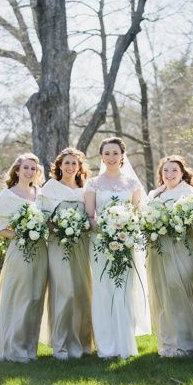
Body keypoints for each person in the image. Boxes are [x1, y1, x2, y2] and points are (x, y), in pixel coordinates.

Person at [84, 137, 149, 359]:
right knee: (103, 290)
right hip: (100, 243)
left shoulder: (133, 184)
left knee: (123, 290)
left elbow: (138, 215)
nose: (111, 157)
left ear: (123, 156)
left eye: (115, 153)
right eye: (107, 153)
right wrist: (106, 228)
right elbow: (89, 217)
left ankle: (125, 344)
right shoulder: (92, 184)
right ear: (101, 156)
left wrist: (124, 229)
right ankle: (106, 346)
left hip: (125, 243)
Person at [145, 155, 193, 357]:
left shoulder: (188, 192)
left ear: (182, 173)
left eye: (174, 170)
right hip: (159, 251)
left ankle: (190, 343)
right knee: (163, 294)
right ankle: (169, 343)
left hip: (181, 248)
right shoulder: (155, 193)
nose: (169, 174)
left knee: (181, 291)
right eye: (166, 170)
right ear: (161, 173)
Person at [0, 153, 48, 362]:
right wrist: (22, 234)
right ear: (17, 170)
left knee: (35, 298)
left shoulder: (41, 194)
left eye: (33, 168)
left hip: (41, 250)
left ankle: (29, 349)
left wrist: (39, 231)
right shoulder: (7, 195)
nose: (30, 171)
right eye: (26, 167)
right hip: (20, 251)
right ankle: (13, 348)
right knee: (20, 297)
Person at [38, 147, 94, 359]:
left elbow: (90, 218)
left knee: (81, 292)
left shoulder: (84, 190)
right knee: (65, 291)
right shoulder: (51, 187)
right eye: (67, 163)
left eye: (74, 163)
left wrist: (81, 227)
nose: (70, 167)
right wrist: (61, 229)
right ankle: (61, 345)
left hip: (80, 245)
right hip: (58, 245)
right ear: (59, 166)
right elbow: (43, 218)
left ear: (80, 167)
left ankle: (82, 344)